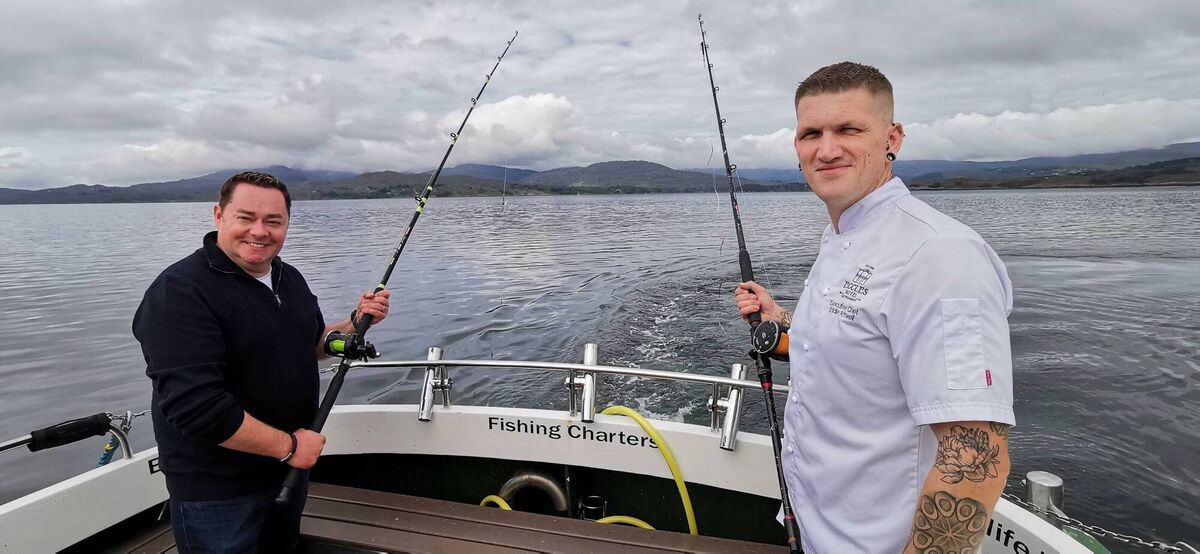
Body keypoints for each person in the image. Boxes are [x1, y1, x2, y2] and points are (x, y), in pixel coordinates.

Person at [735, 62, 1015, 553]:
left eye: (848, 129)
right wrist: (779, 318)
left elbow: (975, 455)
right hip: (813, 526)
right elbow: (854, 344)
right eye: (810, 133)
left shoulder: (939, 256)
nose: (826, 149)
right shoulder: (841, 235)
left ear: (893, 137)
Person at [133, 171, 391, 552]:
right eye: (245, 217)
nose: (260, 231)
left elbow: (312, 344)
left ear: (287, 223)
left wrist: (354, 322)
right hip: (218, 491)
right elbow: (196, 408)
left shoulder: (288, 278)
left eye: (274, 221)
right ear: (218, 215)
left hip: (287, 473)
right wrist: (288, 446)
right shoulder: (180, 292)